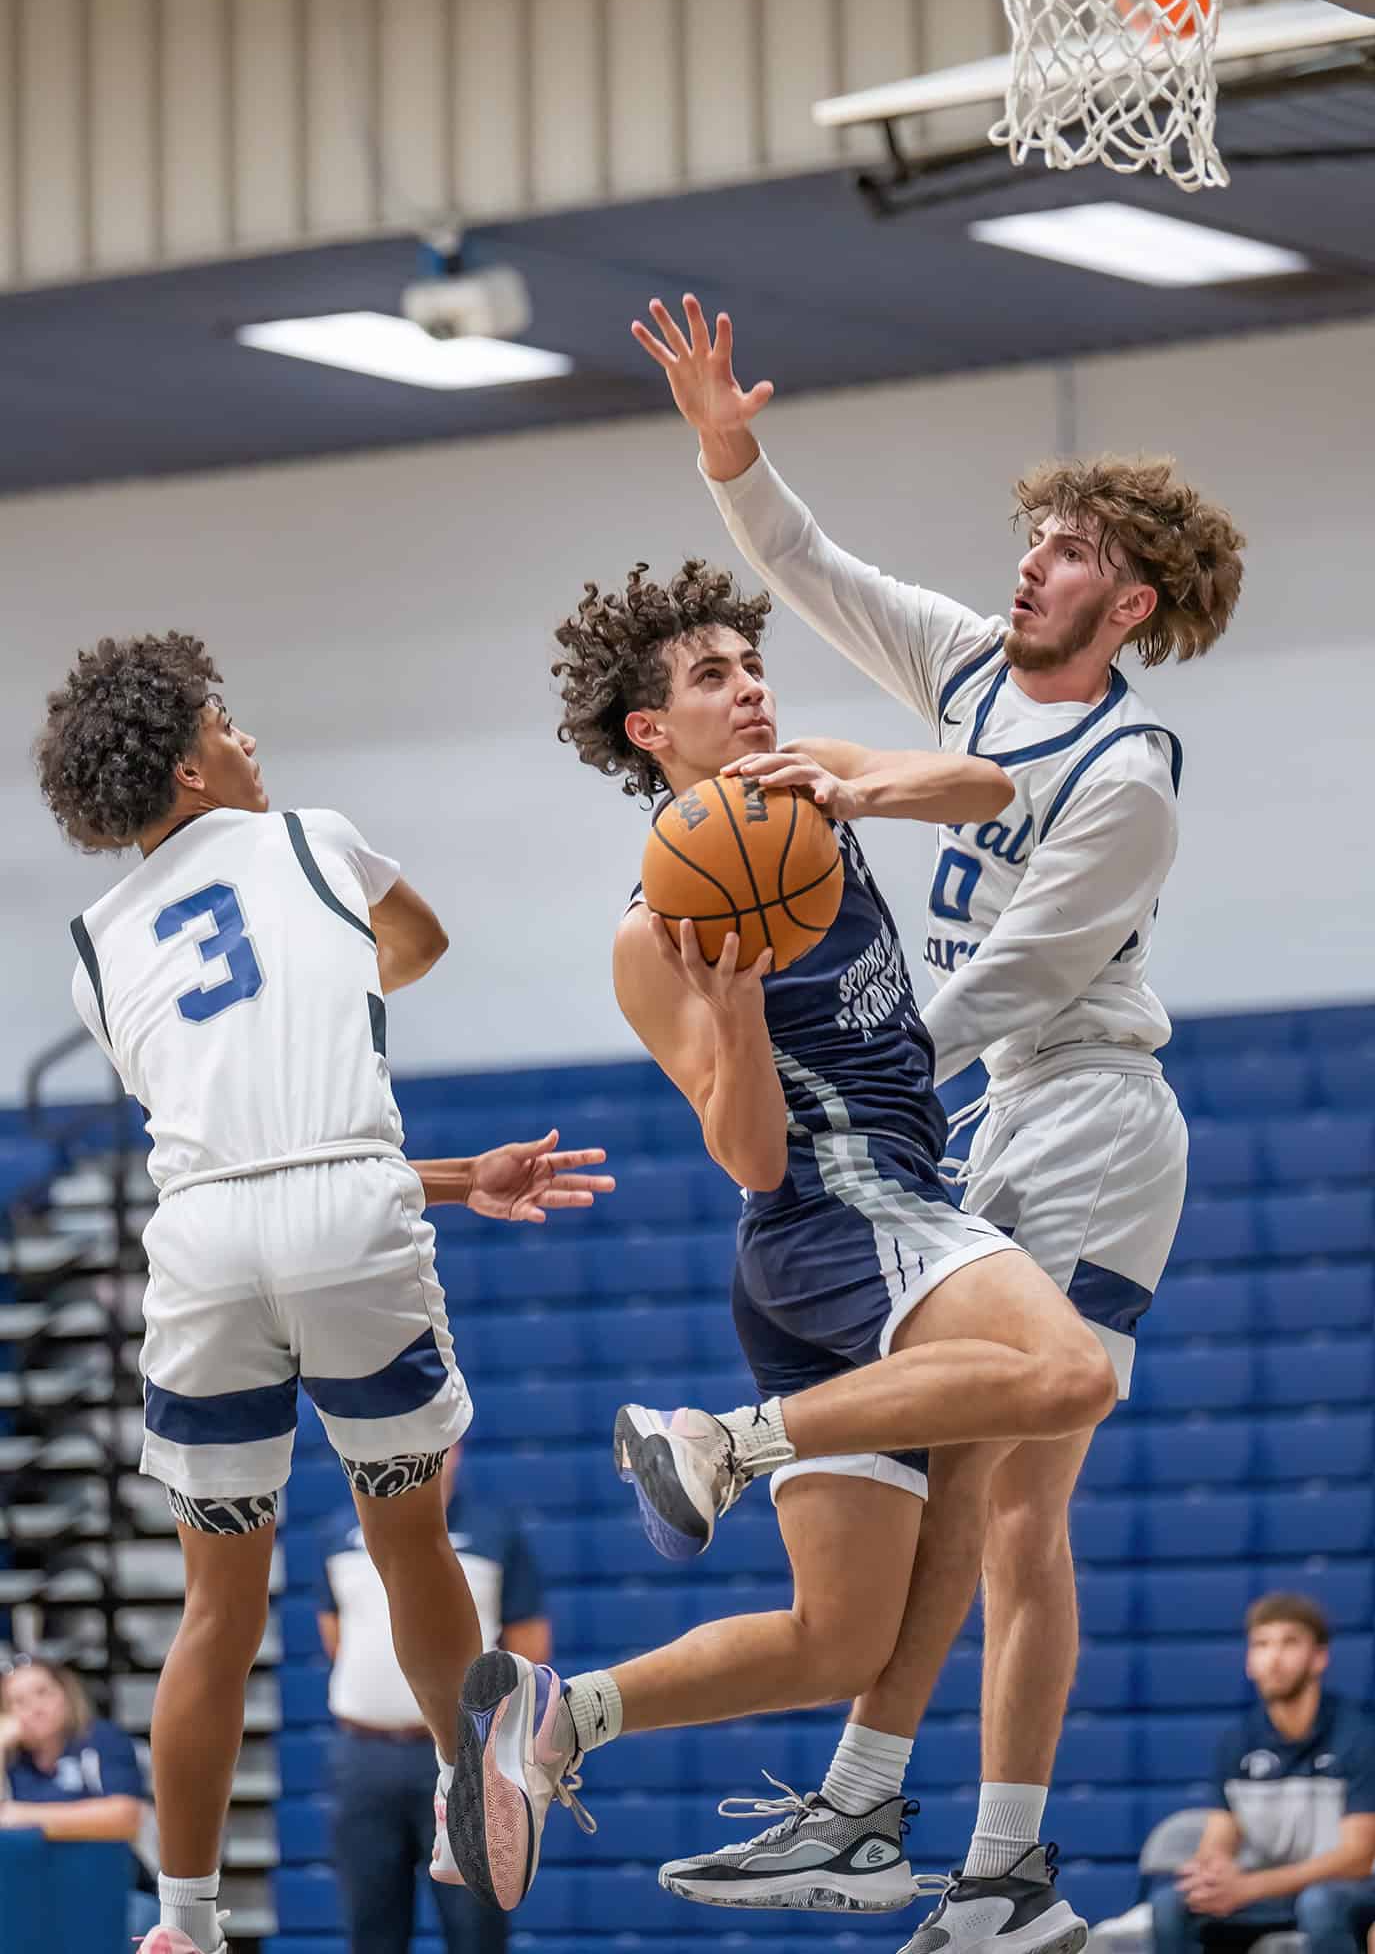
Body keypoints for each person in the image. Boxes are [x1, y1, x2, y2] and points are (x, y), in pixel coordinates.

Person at [629, 294, 1243, 1951]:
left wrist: (863, 1081)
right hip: (975, 1116)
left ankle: (1008, 1871)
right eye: (1033, 537)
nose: (1029, 561)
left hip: (1091, 1113)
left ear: (1129, 600)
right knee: (964, 1482)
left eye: (1065, 550)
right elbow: (817, 568)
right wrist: (729, 455)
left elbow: (1017, 980)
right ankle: (883, 1814)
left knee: (1022, 1492)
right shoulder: (972, 663)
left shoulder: (1132, 771)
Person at [443, 559, 1118, 1921]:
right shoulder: (654, 931)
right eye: (711, 677)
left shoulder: (809, 780)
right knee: (1069, 1373)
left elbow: (993, 788)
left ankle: (557, 1714)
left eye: (749, 666)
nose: (748, 688)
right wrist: (736, 1002)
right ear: (651, 732)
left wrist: (860, 789)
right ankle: (723, 1441)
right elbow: (746, 1153)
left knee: (838, 1638)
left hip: (864, 1236)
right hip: (839, 1215)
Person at [34, 633, 615, 1954]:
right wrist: (334, 974)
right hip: (351, 1215)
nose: (250, 741)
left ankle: (180, 1920)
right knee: (406, 1538)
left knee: (216, 1610)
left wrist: (457, 1172)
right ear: (190, 765)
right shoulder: (308, 834)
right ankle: (471, 1786)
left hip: (200, 1242)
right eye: (227, 724)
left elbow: (239, 1132)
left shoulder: (92, 948)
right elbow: (415, 945)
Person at [316, 1441, 551, 1954]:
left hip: (467, 1759)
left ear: (457, 1451)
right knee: (370, 1927)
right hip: (365, 1759)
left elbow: (527, 1649)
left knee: (476, 1929)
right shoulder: (338, 1533)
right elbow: (335, 1634)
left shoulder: (495, 1532)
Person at [1151, 1594, 1375, 1954]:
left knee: (1319, 1904)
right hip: (1268, 1892)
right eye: (1261, 1645)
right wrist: (1213, 1871)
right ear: (1249, 1663)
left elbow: (1357, 1858)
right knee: (1171, 1905)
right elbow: (1219, 1837)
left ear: (1319, 1658)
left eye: (1289, 1643)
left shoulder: (1359, 1736)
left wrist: (1251, 1886)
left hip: (1343, 1890)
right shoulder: (1237, 1743)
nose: (1273, 1659)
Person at [0, 1653, 160, 1939]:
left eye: (43, 1693)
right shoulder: (12, 1762)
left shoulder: (101, 1740)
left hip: (112, 1887)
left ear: (66, 1694)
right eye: (18, 1702)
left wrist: (21, 1816)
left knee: (136, 1921)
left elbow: (124, 1817)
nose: (35, 1708)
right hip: (34, 1891)